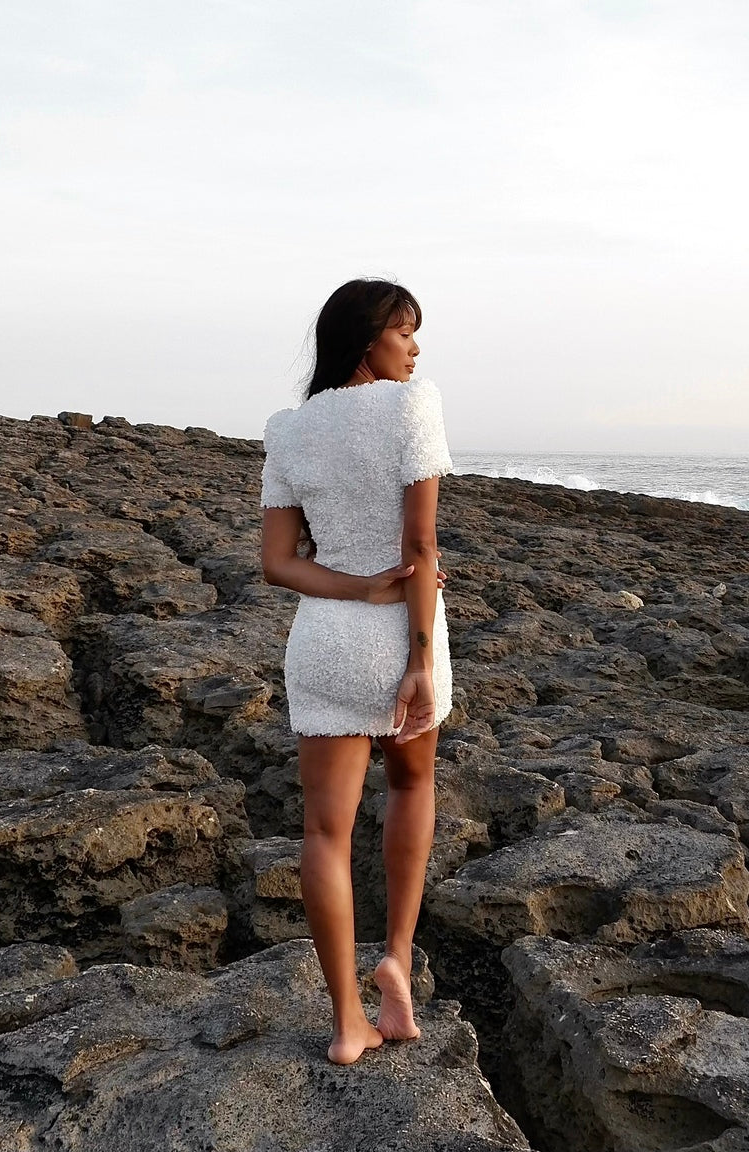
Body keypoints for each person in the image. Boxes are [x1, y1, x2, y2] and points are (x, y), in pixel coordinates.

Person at [259, 277, 454, 1065]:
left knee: (322, 832)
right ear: (371, 335)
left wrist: (354, 586)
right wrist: (414, 656)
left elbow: (277, 564)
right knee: (410, 786)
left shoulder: (288, 428)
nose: (415, 348)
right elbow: (419, 547)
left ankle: (347, 1023)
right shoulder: (412, 407)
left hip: (324, 641)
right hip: (400, 636)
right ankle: (396, 960)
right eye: (406, 332)